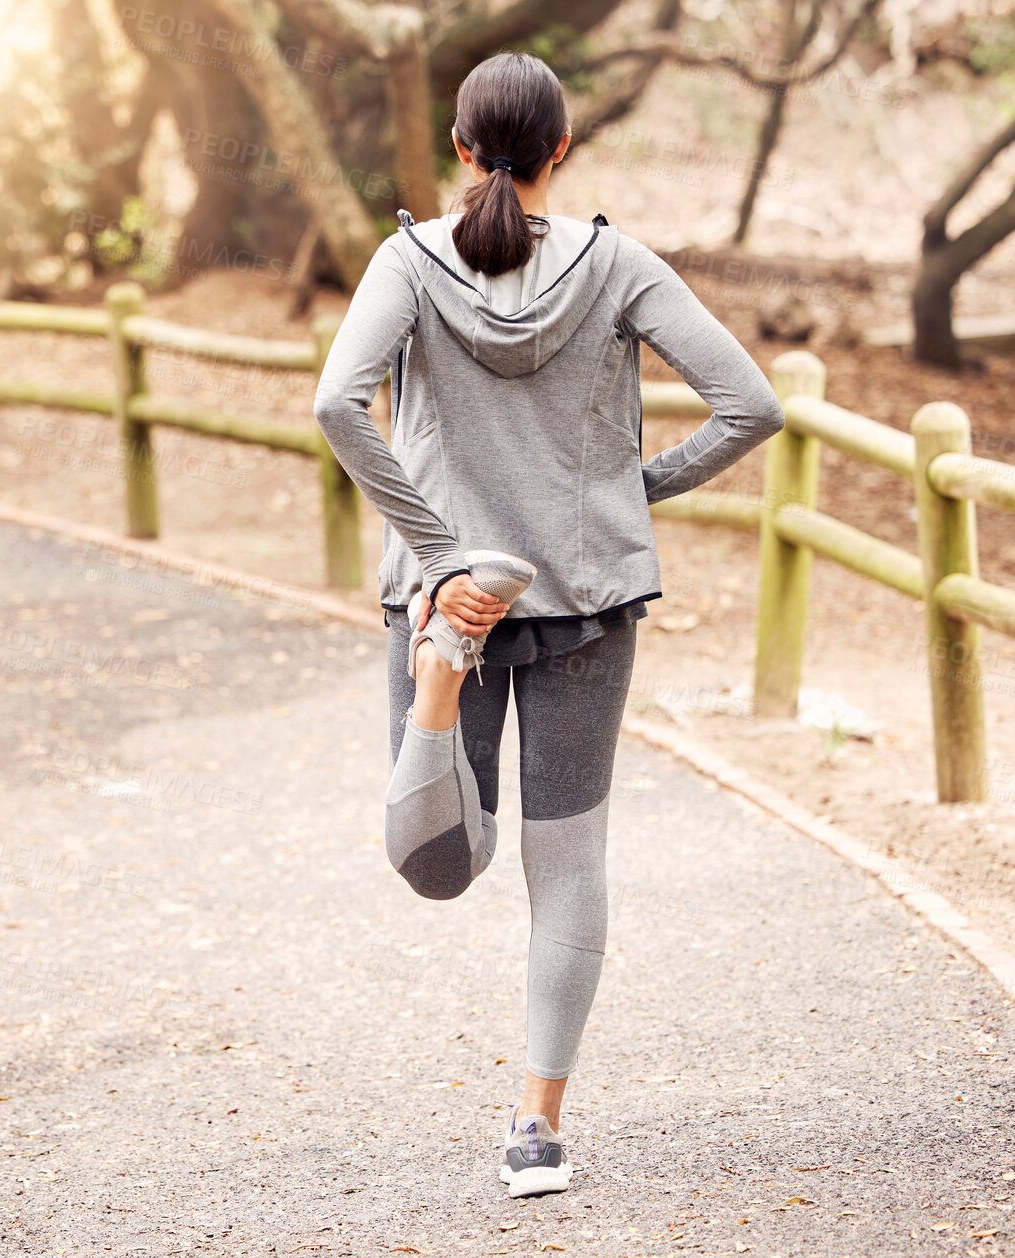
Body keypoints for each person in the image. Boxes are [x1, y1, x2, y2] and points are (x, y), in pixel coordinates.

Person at [312, 50, 785, 1198]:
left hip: (448, 601)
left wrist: (433, 552)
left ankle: (438, 685)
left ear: (462, 150)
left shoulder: (405, 261)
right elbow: (751, 404)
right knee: (565, 860)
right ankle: (536, 1128)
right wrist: (629, 491)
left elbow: (336, 401)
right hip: (588, 602)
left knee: (437, 863)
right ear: (560, 151)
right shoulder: (616, 263)